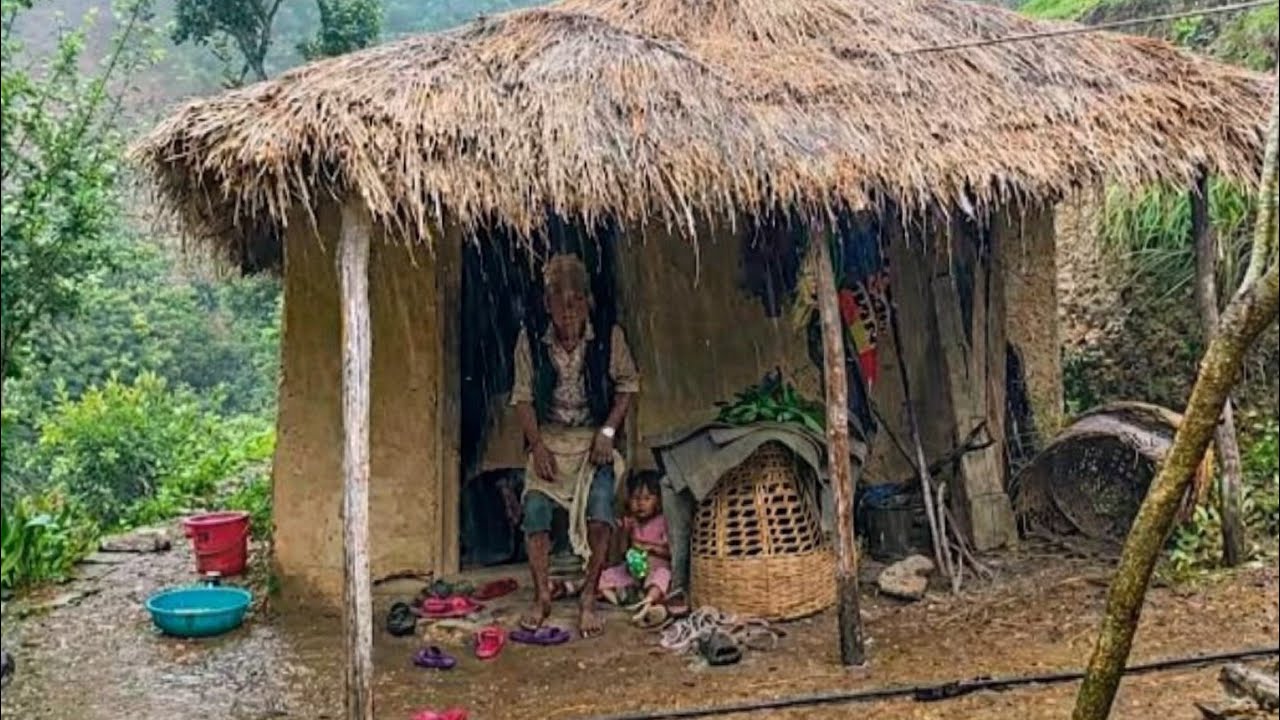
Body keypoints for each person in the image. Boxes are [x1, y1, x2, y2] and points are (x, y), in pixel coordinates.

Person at [510, 253, 639, 638]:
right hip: (549, 440)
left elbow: (627, 386)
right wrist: (537, 445)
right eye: (560, 302)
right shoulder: (531, 340)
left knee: (600, 512)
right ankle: (542, 597)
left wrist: (608, 432)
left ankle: (588, 597)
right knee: (535, 511)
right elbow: (522, 398)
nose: (568, 311)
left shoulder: (608, 338)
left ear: (587, 302)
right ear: (547, 304)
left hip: (592, 440)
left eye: (576, 301)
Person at [598, 473, 671, 609]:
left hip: (655, 569)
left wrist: (651, 548)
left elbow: (670, 553)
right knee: (604, 577)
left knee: (663, 577)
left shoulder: (663, 521)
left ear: (658, 501)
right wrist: (623, 531)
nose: (640, 503)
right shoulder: (631, 522)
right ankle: (622, 602)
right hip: (633, 572)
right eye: (635, 498)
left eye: (647, 498)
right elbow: (623, 551)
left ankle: (648, 602)